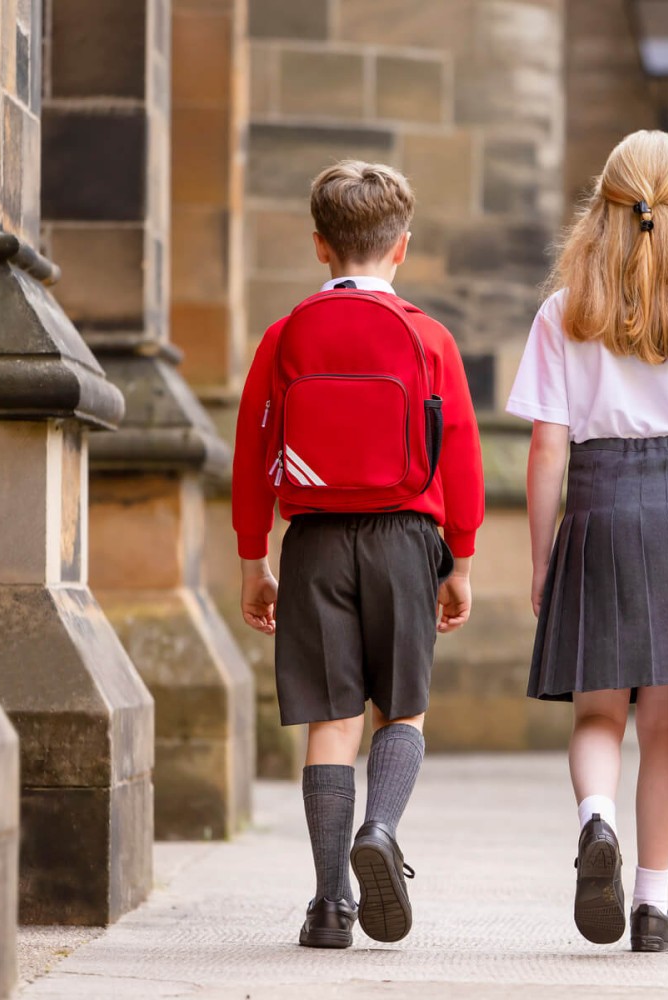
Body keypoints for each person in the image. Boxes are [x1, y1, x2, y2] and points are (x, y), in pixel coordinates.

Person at [506, 130, 668, 953]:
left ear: (605, 205)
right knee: (663, 727)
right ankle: (653, 909)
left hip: (594, 507)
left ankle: (597, 823)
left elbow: (547, 447)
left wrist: (542, 555)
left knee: (597, 710)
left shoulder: (564, 310)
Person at [232, 160, 485, 949]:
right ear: (401, 247)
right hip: (407, 538)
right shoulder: (428, 335)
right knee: (400, 711)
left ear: (319, 245)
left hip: (312, 543)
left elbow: (251, 451)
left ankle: (329, 903)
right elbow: (465, 457)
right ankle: (379, 827)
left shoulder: (284, 336)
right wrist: (462, 559)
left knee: (331, 721)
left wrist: (253, 558)